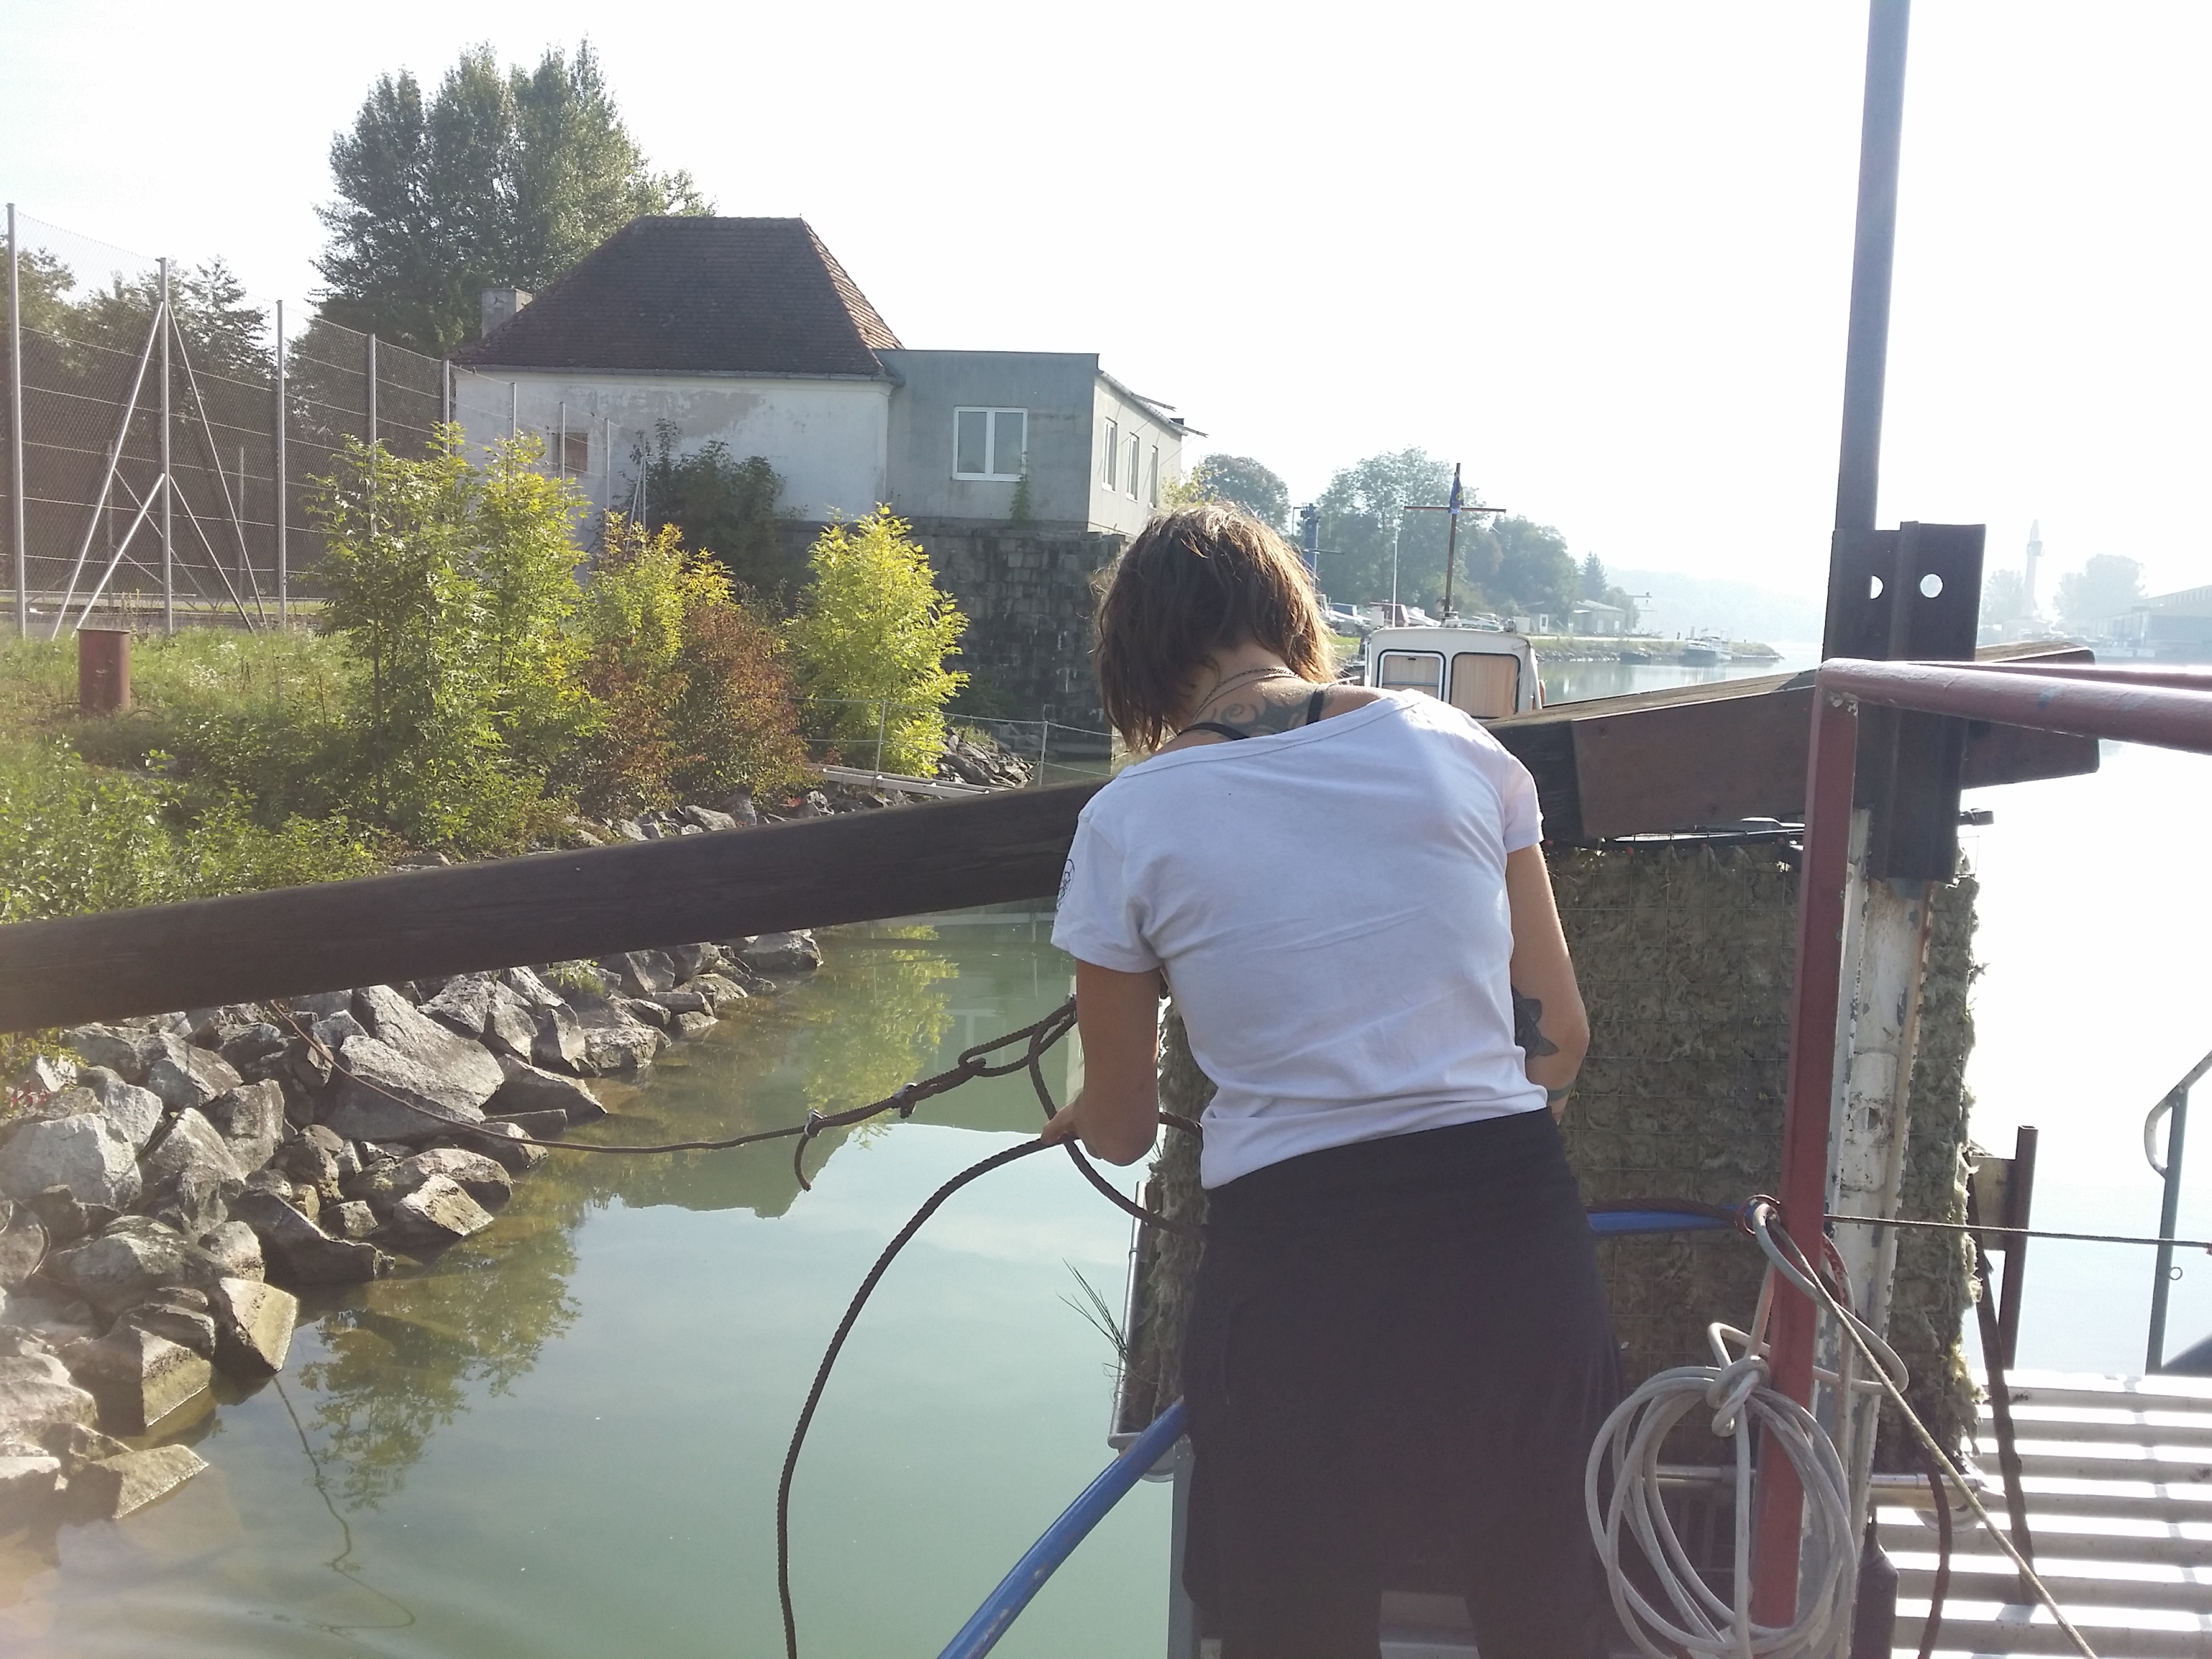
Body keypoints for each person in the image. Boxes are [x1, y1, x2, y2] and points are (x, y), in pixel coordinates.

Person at [1042, 503, 1620, 1659]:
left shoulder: (1127, 820)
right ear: (1290, 615)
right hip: (1516, 1248)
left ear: (1141, 659)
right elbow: (1558, 1036)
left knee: (1293, 1624)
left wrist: (1088, 1110)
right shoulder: (1456, 743)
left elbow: (1121, 1129)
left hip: (1300, 1278)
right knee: (1550, 1615)